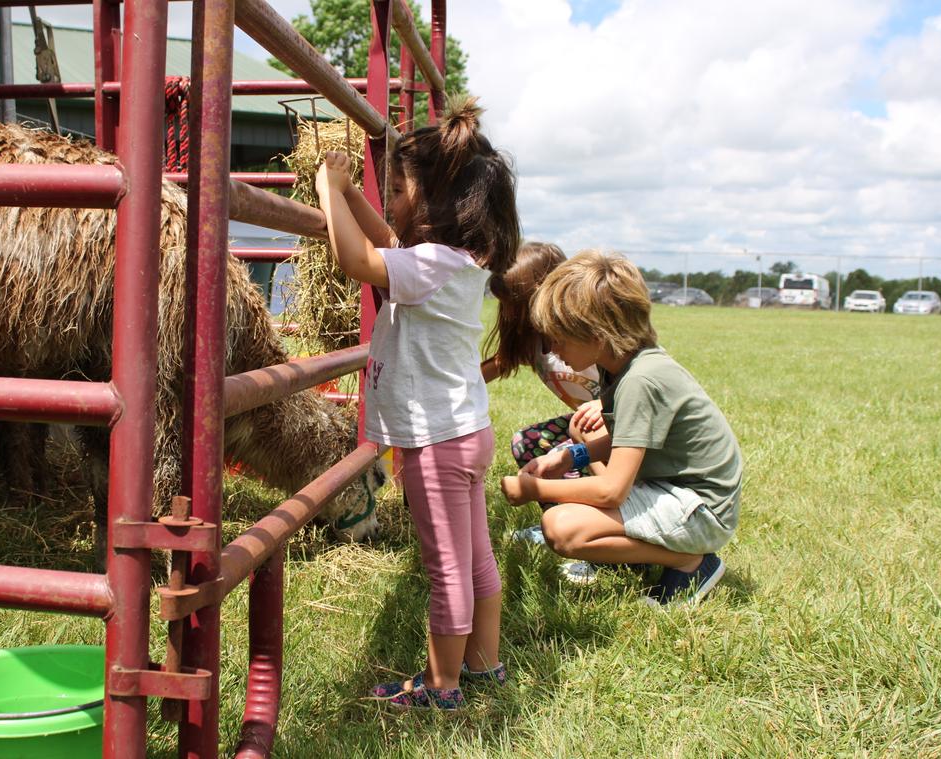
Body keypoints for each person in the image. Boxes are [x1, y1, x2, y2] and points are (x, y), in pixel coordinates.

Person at [315, 97, 519, 710]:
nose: (392, 198)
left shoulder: (431, 265)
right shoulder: (454, 261)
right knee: (475, 558)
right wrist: (352, 197)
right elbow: (383, 244)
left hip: (436, 441)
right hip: (465, 432)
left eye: (398, 187)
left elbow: (357, 258)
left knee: (447, 570)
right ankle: (482, 666)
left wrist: (327, 184)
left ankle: (441, 687)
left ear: (433, 204)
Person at [500, 250, 742, 605]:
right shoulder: (619, 365)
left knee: (562, 529)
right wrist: (571, 458)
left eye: (560, 337)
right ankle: (651, 552)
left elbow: (612, 491)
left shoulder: (641, 380)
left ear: (597, 335)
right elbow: (624, 439)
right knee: (579, 444)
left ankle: (689, 560)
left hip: (702, 510)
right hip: (674, 491)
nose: (552, 347)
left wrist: (534, 488)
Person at [481, 241, 612, 585]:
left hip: (622, 428)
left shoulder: (583, 334)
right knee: (529, 443)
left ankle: (597, 543)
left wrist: (605, 404)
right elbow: (496, 366)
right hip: (588, 428)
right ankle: (560, 521)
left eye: (515, 302)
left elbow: (628, 371)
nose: (507, 312)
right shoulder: (531, 340)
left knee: (576, 455)